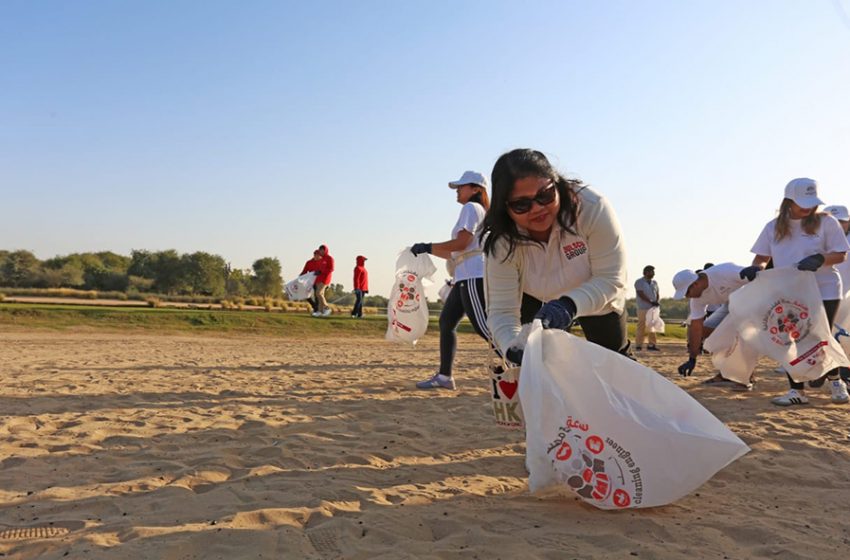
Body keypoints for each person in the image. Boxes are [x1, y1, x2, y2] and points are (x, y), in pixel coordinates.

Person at [481, 149, 629, 364]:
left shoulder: (591, 207)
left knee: (616, 363)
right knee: (539, 365)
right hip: (534, 296)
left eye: (545, 195)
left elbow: (610, 279)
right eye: (521, 204)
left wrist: (568, 305)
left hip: (598, 294)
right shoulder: (501, 242)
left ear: (557, 184)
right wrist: (513, 348)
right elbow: (502, 312)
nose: (537, 209)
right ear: (504, 208)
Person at [742, 178, 850, 406]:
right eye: (802, 203)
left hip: (826, 287)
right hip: (789, 289)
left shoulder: (827, 222)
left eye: (811, 203)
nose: (808, 208)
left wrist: (820, 259)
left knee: (821, 335)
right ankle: (797, 391)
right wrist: (756, 268)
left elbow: (841, 254)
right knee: (790, 337)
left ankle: (835, 380)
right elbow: (762, 257)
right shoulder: (772, 227)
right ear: (788, 201)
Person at [410, 170, 494, 390]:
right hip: (464, 275)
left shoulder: (471, 208)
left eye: (461, 186)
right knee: (447, 322)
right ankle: (445, 376)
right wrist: (428, 249)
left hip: (473, 275)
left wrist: (428, 246)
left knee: (485, 328)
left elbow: (461, 244)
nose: (457, 191)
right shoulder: (477, 210)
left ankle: (522, 362)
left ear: (476, 189)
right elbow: (454, 252)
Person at [671, 263, 751, 388]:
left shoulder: (725, 271)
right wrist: (692, 358)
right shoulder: (696, 300)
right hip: (730, 304)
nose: (687, 297)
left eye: (687, 293)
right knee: (707, 330)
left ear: (695, 284)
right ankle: (727, 372)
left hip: (751, 301)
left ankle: (744, 375)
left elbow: (757, 273)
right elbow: (696, 327)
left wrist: (755, 271)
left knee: (741, 337)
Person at [634, 265, 661, 351]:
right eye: (650, 271)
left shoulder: (655, 283)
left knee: (652, 326)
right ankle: (638, 344)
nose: (652, 273)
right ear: (645, 272)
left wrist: (656, 301)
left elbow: (657, 293)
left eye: (653, 272)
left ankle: (652, 344)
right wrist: (650, 301)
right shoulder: (639, 282)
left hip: (653, 308)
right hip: (643, 307)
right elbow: (641, 294)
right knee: (641, 326)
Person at [313, 244, 335, 317]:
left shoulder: (330, 258)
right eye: (320, 250)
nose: (321, 252)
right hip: (319, 278)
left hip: (325, 279)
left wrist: (322, 272)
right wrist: (317, 271)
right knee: (319, 294)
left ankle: (327, 307)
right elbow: (319, 268)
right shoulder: (321, 259)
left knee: (318, 293)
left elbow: (331, 269)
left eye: (322, 250)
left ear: (325, 250)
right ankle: (320, 311)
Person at [300, 250, 324, 314]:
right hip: (310, 281)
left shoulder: (323, 262)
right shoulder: (309, 262)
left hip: (319, 282)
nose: (316, 256)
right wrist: (300, 277)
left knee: (317, 295)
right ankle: (315, 307)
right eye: (315, 254)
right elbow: (304, 271)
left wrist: (320, 272)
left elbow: (325, 272)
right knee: (305, 294)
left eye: (318, 255)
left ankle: (317, 310)